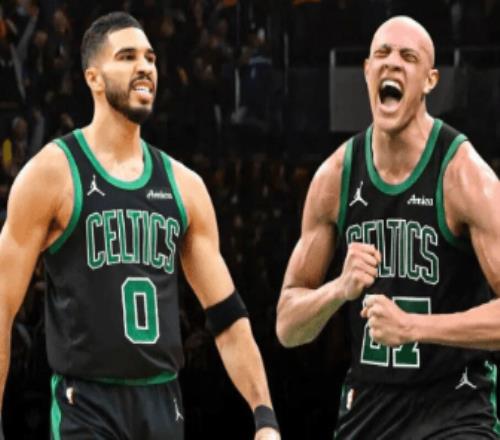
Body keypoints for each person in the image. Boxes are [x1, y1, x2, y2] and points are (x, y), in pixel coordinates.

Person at [0, 12, 280, 440]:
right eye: (127, 56)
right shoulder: (53, 173)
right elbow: (3, 306)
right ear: (93, 78)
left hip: (163, 401)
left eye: (150, 58)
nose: (145, 66)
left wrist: (265, 416)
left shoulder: (184, 186)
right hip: (85, 403)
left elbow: (226, 315)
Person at [276, 15, 500, 439]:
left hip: (455, 403)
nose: (392, 62)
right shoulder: (335, 177)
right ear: (366, 71)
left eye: (408, 57)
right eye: (382, 53)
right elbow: (287, 326)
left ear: (430, 80)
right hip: (370, 404)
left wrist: (415, 328)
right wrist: (338, 289)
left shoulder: (465, 175)